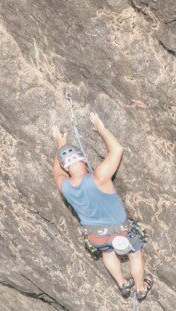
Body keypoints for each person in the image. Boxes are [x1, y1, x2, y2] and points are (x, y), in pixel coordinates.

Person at [51, 114, 150, 300]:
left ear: (66, 168)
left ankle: (122, 283)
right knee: (135, 254)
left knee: (107, 252)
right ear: (83, 160)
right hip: (121, 231)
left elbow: (56, 171)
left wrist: (60, 143)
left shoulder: (64, 186)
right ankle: (140, 287)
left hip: (95, 234)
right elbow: (117, 149)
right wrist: (100, 128)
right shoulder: (99, 177)